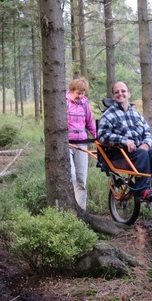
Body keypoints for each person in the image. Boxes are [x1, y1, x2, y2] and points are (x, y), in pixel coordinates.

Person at [97, 81, 152, 200]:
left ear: (129, 94)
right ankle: (142, 190)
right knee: (142, 154)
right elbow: (102, 135)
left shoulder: (136, 114)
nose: (120, 94)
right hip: (119, 153)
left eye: (123, 91)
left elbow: (147, 132)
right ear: (113, 96)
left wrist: (146, 144)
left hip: (137, 151)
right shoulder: (108, 115)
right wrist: (124, 141)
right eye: (116, 92)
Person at [66, 77, 97, 210]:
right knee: (71, 176)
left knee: (81, 179)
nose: (80, 96)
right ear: (72, 91)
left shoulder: (85, 105)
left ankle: (81, 211)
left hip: (82, 145)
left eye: (83, 93)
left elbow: (90, 124)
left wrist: (97, 137)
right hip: (67, 145)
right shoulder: (64, 103)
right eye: (78, 93)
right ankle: (68, 207)